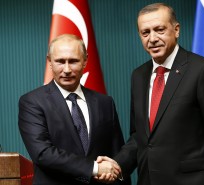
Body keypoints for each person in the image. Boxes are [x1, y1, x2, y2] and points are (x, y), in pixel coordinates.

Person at [98, 3, 204, 185]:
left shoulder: (203, 71)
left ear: (176, 30)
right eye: (145, 33)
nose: (152, 38)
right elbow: (140, 137)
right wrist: (118, 164)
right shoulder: (138, 76)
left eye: (159, 30)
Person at [18, 34, 130, 185]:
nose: (67, 69)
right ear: (49, 61)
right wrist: (95, 168)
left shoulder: (105, 102)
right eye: (60, 61)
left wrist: (116, 174)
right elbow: (42, 153)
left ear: (85, 61)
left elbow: (116, 153)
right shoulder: (32, 102)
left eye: (73, 61)